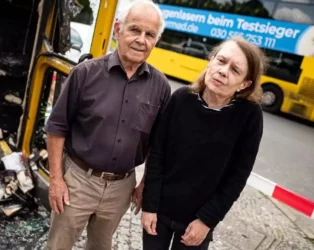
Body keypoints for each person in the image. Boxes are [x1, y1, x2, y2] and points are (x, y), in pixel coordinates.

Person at [44, 1, 171, 249]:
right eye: (135, 30)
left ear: (156, 41)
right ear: (117, 29)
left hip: (121, 188)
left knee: (101, 247)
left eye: (150, 35)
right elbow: (56, 128)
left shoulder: (161, 87)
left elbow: (159, 144)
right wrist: (57, 180)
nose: (141, 40)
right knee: (58, 245)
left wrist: (144, 184)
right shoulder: (85, 73)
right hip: (77, 181)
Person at [141, 36, 267, 250]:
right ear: (210, 61)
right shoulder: (180, 99)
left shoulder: (249, 117)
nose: (223, 71)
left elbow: (237, 176)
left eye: (235, 70)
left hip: (197, 221)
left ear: (244, 84)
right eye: (221, 61)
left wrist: (207, 220)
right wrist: (149, 206)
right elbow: (157, 155)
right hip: (159, 213)